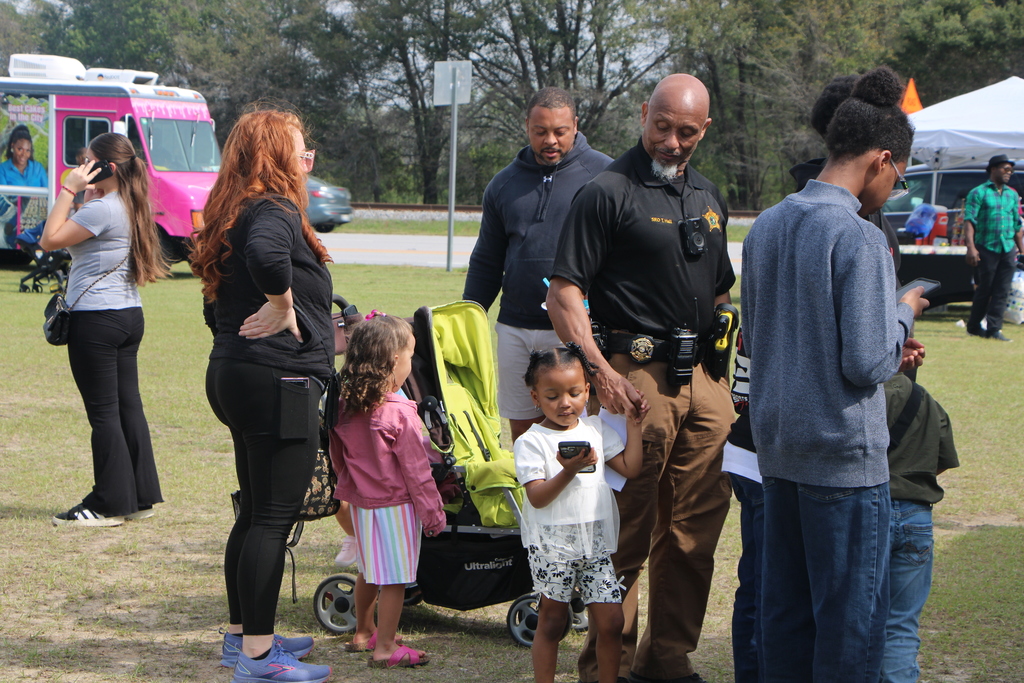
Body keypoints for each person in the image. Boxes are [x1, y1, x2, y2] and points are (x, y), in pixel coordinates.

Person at [723, 73, 924, 682]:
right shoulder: (859, 237)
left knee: (785, 622)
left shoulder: (768, 226)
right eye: (900, 176)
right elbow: (866, 362)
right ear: (882, 159)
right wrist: (903, 310)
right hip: (843, 465)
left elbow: (753, 345)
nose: (895, 189)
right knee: (848, 633)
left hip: (779, 456)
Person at [547, 73, 736, 683]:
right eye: (662, 126)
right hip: (633, 375)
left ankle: (668, 659)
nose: (672, 142)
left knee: (694, 530)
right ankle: (608, 666)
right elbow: (564, 293)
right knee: (625, 528)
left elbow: (721, 287)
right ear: (643, 115)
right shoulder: (608, 191)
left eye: (686, 132)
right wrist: (601, 371)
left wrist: (726, 328)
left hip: (702, 379)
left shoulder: (708, 197)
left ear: (703, 131)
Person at [190, 107, 334, 683]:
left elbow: (213, 306)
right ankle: (256, 656)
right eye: (302, 151)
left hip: (236, 375)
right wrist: (284, 305)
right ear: (276, 158)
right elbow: (271, 261)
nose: (309, 161)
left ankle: (241, 637)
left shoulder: (234, 211)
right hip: (279, 383)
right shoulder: (272, 209)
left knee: (254, 512)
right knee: (272, 518)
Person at [463, 87, 612, 441]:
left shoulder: (605, 175)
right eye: (539, 131)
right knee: (525, 434)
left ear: (575, 125)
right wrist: (466, 316)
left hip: (576, 327)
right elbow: (487, 259)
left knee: (577, 427)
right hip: (514, 327)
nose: (550, 140)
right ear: (527, 126)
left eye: (560, 131)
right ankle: (535, 496)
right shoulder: (503, 184)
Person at [42, 132, 167, 528]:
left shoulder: (103, 209)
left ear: (106, 168)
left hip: (97, 319)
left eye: (88, 161)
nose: (81, 167)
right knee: (129, 406)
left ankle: (108, 502)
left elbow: (49, 239)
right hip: (129, 315)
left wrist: (67, 189)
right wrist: (87, 193)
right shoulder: (131, 203)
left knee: (104, 414)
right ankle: (139, 495)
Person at [514, 344, 644, 683]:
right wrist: (568, 471)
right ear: (535, 397)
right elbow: (538, 498)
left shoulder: (596, 431)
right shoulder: (531, 441)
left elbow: (630, 468)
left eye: (574, 392)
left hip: (594, 544)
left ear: (588, 390)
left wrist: (634, 423)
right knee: (554, 622)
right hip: (553, 546)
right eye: (553, 395)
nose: (565, 403)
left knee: (613, 622)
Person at [329, 313, 446, 668]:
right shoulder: (400, 413)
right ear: (396, 359)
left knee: (370, 569)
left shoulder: (344, 405)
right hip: (396, 507)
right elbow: (416, 472)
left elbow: (338, 455)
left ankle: (364, 631)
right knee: (394, 579)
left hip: (363, 506)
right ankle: (386, 648)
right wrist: (433, 512)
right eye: (410, 355)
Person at [879, 374, 959, 683]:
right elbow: (942, 460)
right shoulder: (925, 399)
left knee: (859, 618)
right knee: (901, 624)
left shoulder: (861, 397)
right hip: (916, 517)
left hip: (868, 510)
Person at [964, 154, 1024, 342]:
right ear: (993, 169)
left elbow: (1016, 224)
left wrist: (1021, 250)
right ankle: (974, 326)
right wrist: (971, 248)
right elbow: (969, 222)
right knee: (985, 288)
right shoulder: (978, 192)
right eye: (1005, 169)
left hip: (1007, 248)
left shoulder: (1012, 194)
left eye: (1010, 170)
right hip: (986, 247)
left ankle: (994, 329)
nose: (1009, 173)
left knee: (1003, 290)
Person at [1, 124, 48, 247]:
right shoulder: (3, 169)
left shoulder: (37, 168)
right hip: (12, 216)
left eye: (27, 150)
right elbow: (4, 197)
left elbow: (47, 193)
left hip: (36, 214)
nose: (23, 154)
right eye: (20, 149)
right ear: (12, 147)